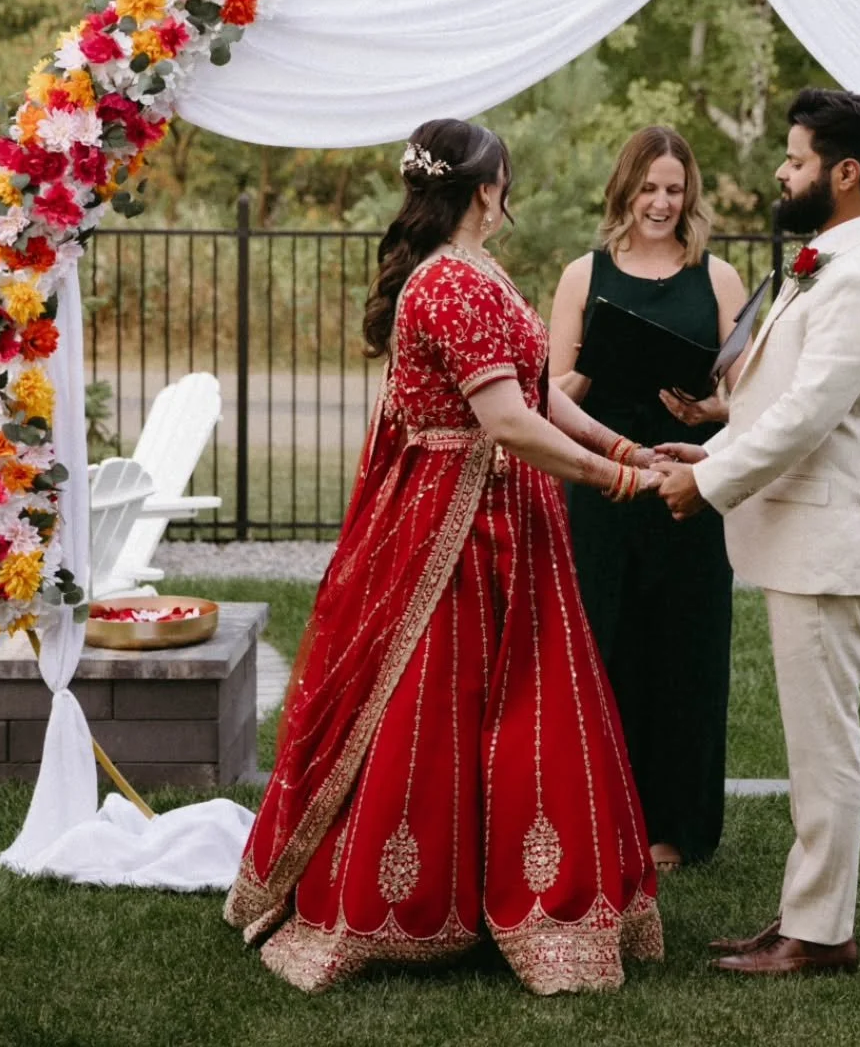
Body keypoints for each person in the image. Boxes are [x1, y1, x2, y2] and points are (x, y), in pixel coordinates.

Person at [225, 117, 664, 996]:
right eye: (506, 180)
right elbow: (503, 422)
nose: (510, 193)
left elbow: (537, 396)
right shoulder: (452, 285)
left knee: (524, 704)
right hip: (456, 526)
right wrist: (609, 483)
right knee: (436, 704)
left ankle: (496, 894)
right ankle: (406, 903)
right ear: (485, 187)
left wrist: (626, 451)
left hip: (509, 514)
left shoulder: (480, 275)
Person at [654, 88, 860, 979]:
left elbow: (810, 416)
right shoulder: (828, 263)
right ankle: (802, 915)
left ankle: (821, 934)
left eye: (797, 159)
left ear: (845, 174)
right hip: (807, 538)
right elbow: (789, 398)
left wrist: (707, 480)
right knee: (813, 744)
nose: (782, 169)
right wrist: (714, 436)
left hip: (831, 543)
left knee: (826, 746)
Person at [550, 126, 749, 872]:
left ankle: (677, 826)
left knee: (687, 653)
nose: (661, 203)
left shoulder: (718, 278)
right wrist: (597, 367)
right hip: (603, 483)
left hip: (690, 483)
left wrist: (713, 412)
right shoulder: (583, 275)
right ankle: (604, 815)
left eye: (674, 189)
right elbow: (548, 394)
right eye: (649, 189)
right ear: (624, 190)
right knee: (607, 648)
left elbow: (747, 395)